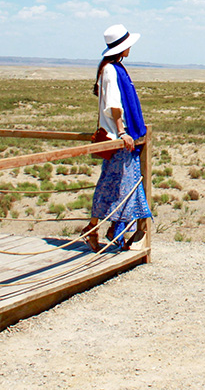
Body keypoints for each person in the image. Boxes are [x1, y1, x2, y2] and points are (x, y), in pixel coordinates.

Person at [83, 23, 152, 252]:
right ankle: (95, 228)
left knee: (122, 185)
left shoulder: (112, 68)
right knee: (112, 185)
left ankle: (113, 229)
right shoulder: (112, 70)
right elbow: (114, 105)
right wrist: (122, 132)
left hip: (120, 138)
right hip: (117, 139)